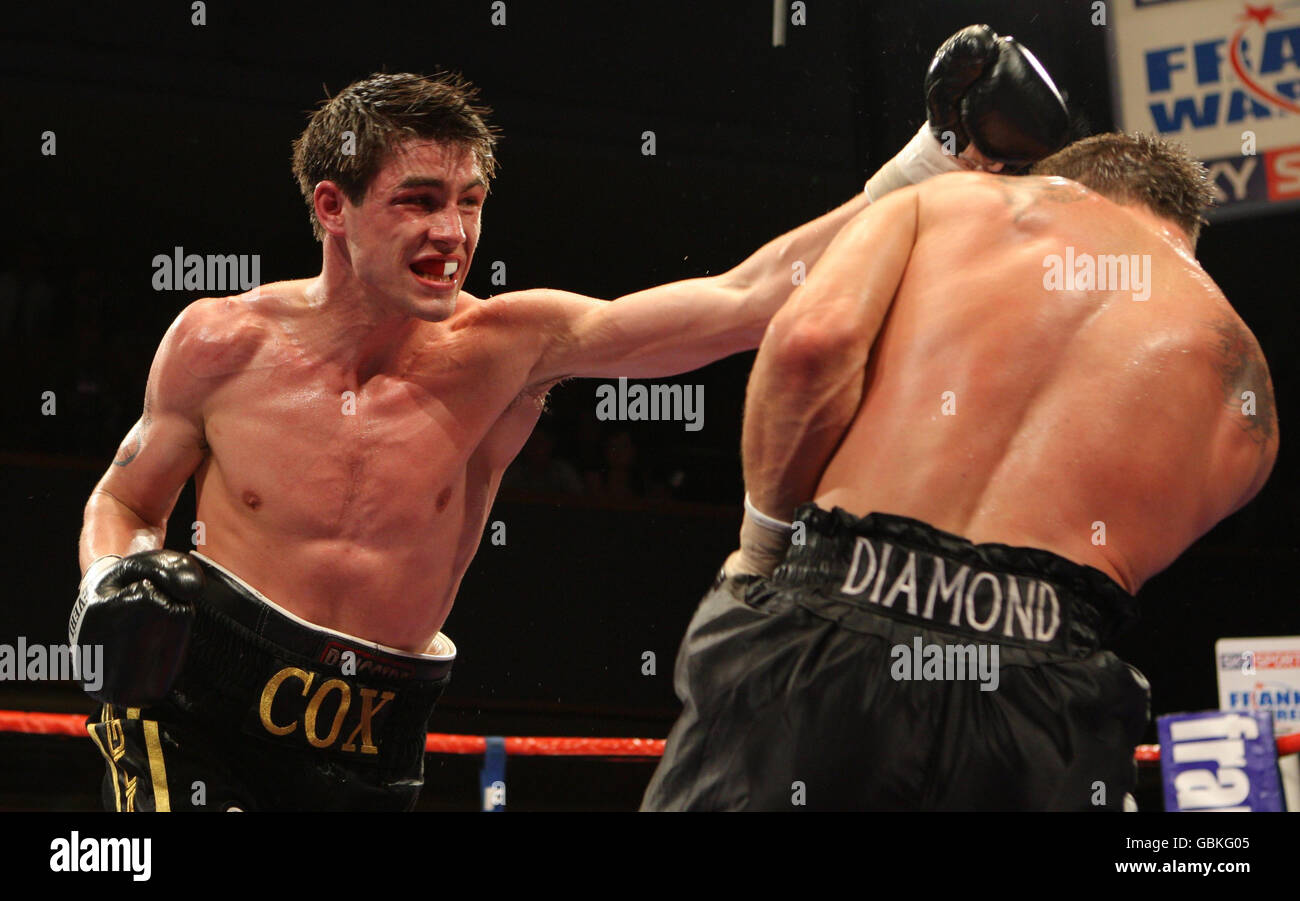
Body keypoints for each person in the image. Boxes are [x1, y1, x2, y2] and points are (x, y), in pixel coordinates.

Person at [71, 26, 1069, 810]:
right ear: (332, 206)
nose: (451, 232)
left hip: (374, 733)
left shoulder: (508, 347)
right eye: (417, 201)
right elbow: (125, 498)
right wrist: (112, 578)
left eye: (468, 201)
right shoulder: (220, 344)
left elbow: (744, 299)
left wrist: (932, 163)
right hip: (197, 705)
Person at [640, 131, 1279, 811]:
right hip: (1046, 698)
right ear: (1185, 232)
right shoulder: (1244, 375)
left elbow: (810, 344)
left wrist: (765, 546)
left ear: (1056, 180)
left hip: (839, 616)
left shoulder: (948, 203)